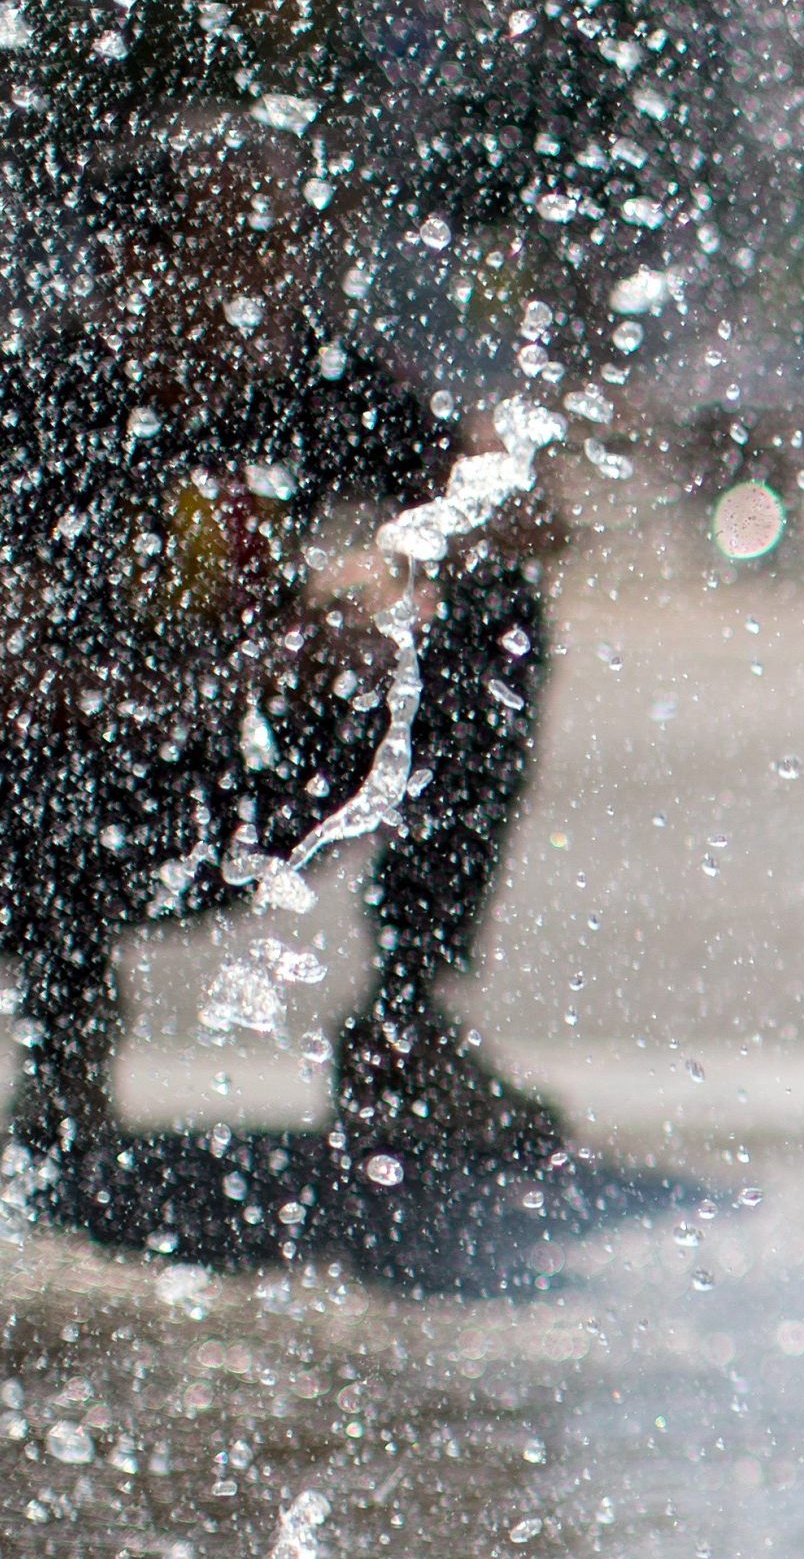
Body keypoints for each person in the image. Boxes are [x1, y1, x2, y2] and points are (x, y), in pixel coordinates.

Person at [0, 118, 571, 1213]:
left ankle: (404, 1031)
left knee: (490, 620)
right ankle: (64, 1038)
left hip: (248, 784)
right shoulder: (46, 403)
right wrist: (245, 670)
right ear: (136, 268)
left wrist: (395, 562)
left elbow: (518, 501)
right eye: (235, 246)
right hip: (85, 813)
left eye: (281, 243)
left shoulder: (310, 380)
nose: (272, 271)